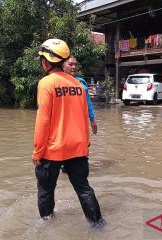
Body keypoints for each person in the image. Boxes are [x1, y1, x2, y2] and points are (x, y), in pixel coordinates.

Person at [32, 38, 105, 228]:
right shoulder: (79, 86)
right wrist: (85, 146)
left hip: (52, 149)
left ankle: (47, 226)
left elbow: (43, 121)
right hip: (77, 148)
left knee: (46, 191)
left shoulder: (46, 83)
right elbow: (83, 118)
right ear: (63, 61)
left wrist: (38, 152)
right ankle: (98, 225)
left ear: (45, 62)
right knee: (84, 189)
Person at [63, 55, 97, 134]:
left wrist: (92, 120)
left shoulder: (82, 82)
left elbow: (88, 103)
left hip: (81, 124)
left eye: (75, 64)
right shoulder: (58, 82)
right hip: (64, 125)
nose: (74, 66)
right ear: (63, 66)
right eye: (70, 64)